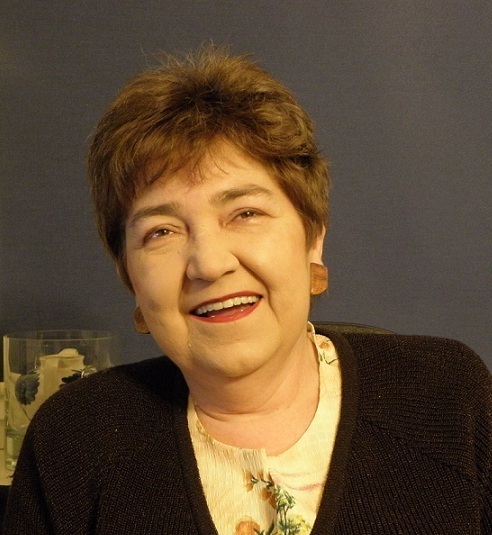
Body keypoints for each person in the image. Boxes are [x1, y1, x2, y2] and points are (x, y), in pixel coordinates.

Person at [3, 46, 491, 535]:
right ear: (129, 275)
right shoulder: (74, 440)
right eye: (162, 231)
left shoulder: (449, 397)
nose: (210, 264)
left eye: (245, 213)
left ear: (313, 237)